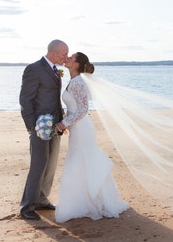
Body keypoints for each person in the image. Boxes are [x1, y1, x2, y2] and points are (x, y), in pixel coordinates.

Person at [54, 52, 128, 223]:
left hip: (81, 128)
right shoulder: (73, 80)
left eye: (71, 58)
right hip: (77, 127)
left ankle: (91, 202)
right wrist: (66, 122)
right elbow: (74, 108)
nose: (68, 59)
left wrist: (63, 124)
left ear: (77, 64)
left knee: (81, 159)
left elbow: (82, 110)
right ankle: (83, 200)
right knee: (79, 160)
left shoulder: (78, 82)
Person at [19, 39, 69, 220]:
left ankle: (41, 199)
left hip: (55, 126)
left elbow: (54, 99)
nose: (66, 57)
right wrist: (32, 126)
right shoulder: (34, 69)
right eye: (64, 54)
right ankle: (26, 207)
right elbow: (25, 99)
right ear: (54, 53)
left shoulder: (56, 71)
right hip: (39, 126)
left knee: (51, 165)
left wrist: (62, 121)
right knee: (38, 166)